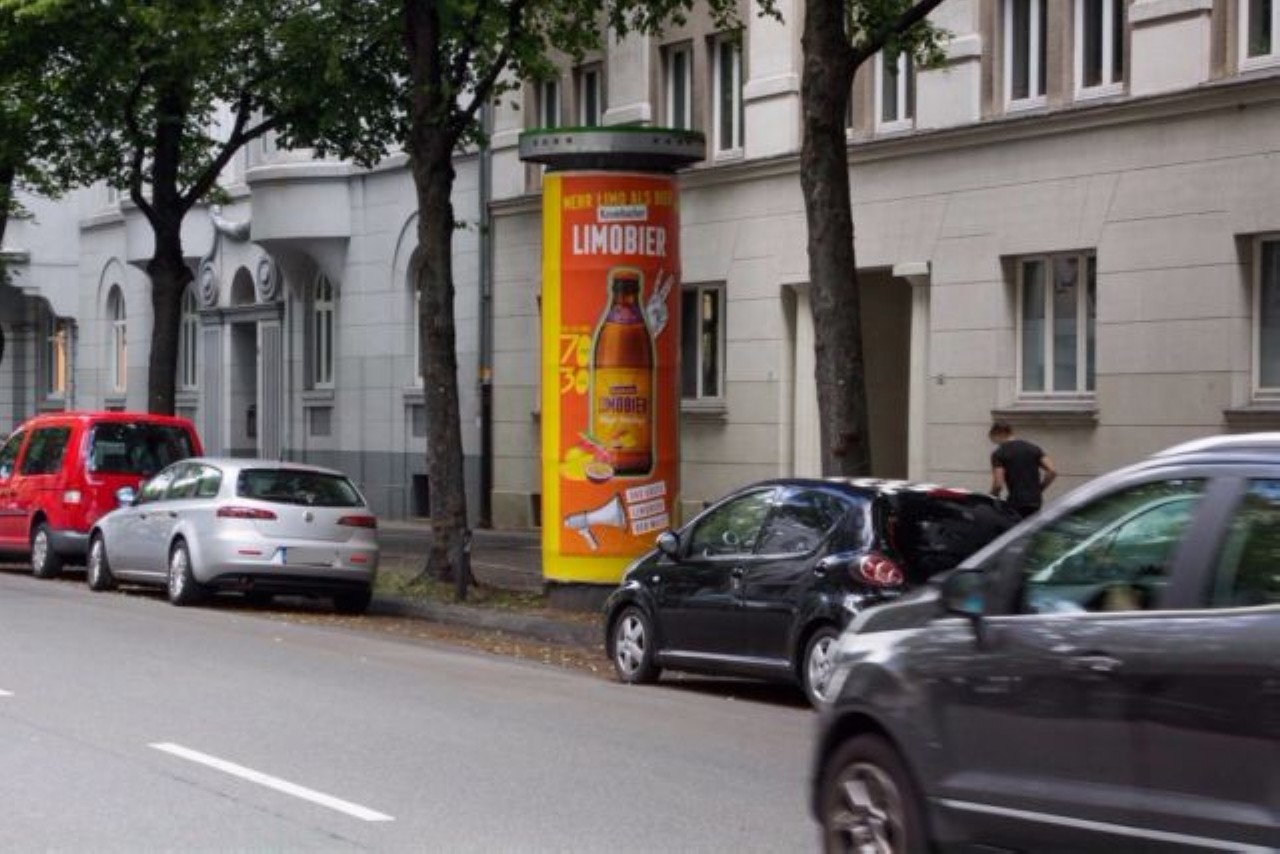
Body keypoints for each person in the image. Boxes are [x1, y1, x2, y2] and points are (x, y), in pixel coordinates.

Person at [989, 421, 1057, 518]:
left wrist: (991, 497)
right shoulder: (1033, 448)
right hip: (1035, 501)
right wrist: (1039, 489)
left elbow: (998, 484)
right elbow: (1052, 471)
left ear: (998, 434)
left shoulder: (999, 453)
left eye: (994, 440)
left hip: (1016, 502)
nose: (996, 444)